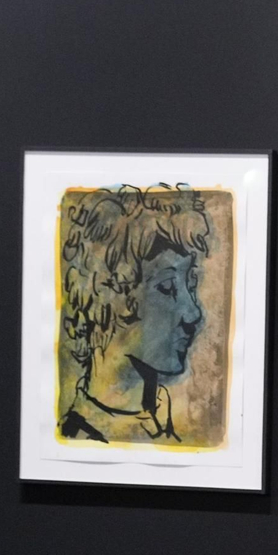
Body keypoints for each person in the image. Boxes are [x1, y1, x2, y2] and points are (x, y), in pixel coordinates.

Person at [57, 183, 214, 444]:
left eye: (191, 284)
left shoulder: (174, 429)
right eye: (167, 287)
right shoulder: (75, 438)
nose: (193, 313)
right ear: (111, 297)